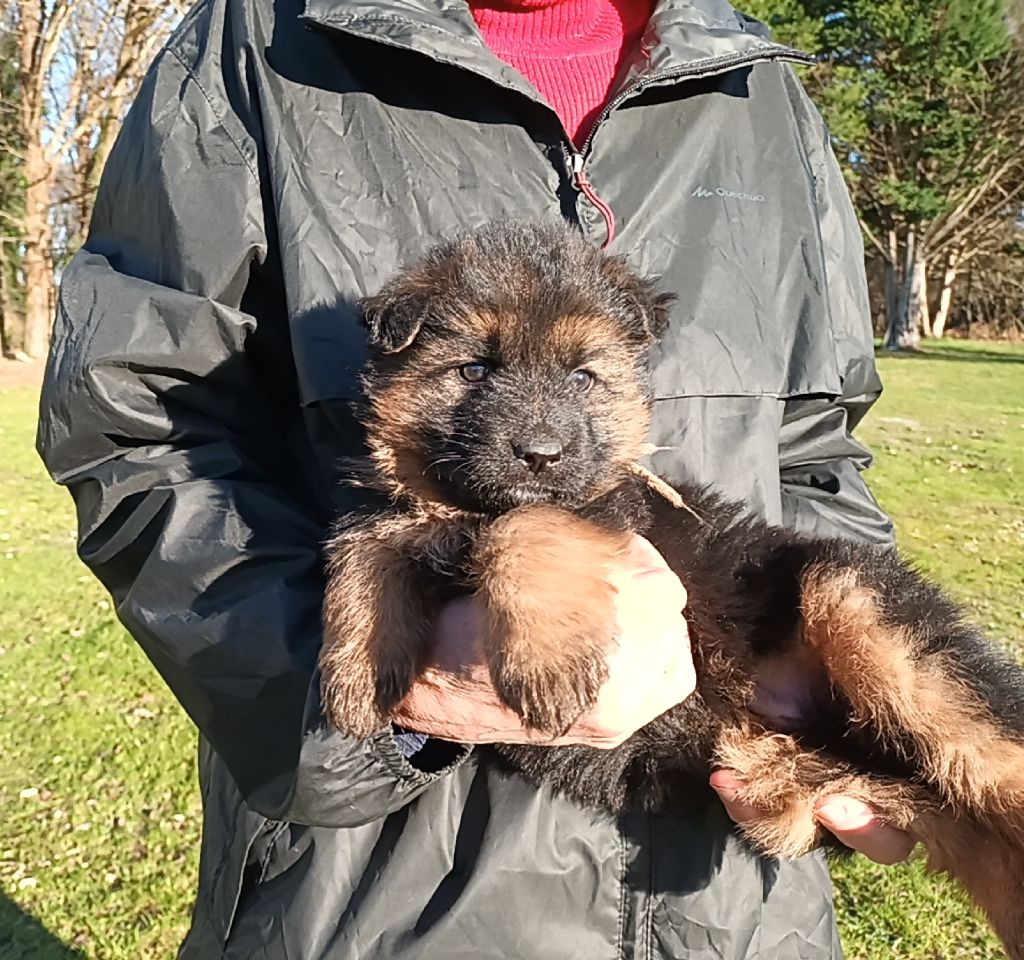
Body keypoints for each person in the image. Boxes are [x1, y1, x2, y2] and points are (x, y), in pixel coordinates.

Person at [36, 0, 913, 954]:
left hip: (734, 899)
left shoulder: (758, 85)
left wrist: (850, 700)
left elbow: (812, 448)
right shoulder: (258, 44)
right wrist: (386, 681)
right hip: (389, 894)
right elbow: (137, 423)